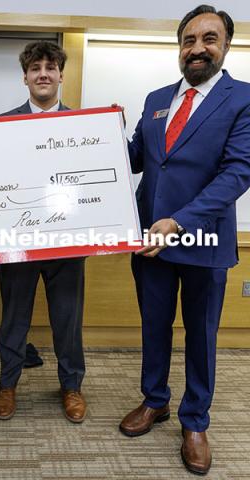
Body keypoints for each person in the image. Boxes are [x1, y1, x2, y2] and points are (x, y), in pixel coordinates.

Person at [119, 5, 250, 475]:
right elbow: (133, 159)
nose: (198, 48)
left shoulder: (243, 99)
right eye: (189, 39)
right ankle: (155, 401)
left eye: (209, 39)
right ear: (179, 47)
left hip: (202, 240)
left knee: (202, 336)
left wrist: (178, 220)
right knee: (153, 328)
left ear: (226, 46)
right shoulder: (157, 98)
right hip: (149, 242)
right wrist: (95, 137)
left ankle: (195, 421)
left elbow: (238, 172)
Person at [0, 41, 87, 423]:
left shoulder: (85, 126)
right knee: (14, 317)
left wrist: (112, 133)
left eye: (50, 67)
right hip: (17, 241)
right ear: (25, 77)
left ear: (61, 75)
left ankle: (72, 386)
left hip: (67, 241)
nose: (43, 74)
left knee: (68, 318)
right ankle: (7, 384)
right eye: (36, 68)